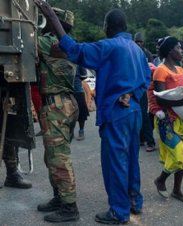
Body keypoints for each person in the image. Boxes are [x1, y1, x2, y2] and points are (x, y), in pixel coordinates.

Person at [35, 1, 151, 223]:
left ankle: (119, 211)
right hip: (134, 110)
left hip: (116, 113)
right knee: (131, 159)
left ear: (108, 25)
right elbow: (146, 78)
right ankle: (135, 201)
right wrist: (132, 94)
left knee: (115, 162)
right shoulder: (136, 49)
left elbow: (75, 51)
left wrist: (52, 19)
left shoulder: (110, 46)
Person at [31, 5, 80, 222]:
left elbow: (26, 39)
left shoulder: (48, 43)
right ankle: (60, 197)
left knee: (59, 159)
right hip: (67, 104)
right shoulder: (70, 46)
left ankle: (69, 207)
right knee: (52, 157)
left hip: (56, 106)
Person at [148, 36, 183, 204]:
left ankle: (177, 190)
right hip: (167, 120)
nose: (181, 50)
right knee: (178, 155)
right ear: (170, 51)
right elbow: (160, 99)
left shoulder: (181, 70)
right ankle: (160, 180)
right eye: (178, 48)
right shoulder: (160, 70)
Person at [73, 66, 89, 140]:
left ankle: (81, 130)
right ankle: (78, 131)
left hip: (74, 89)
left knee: (81, 111)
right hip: (76, 88)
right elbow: (83, 76)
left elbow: (84, 76)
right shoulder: (78, 60)